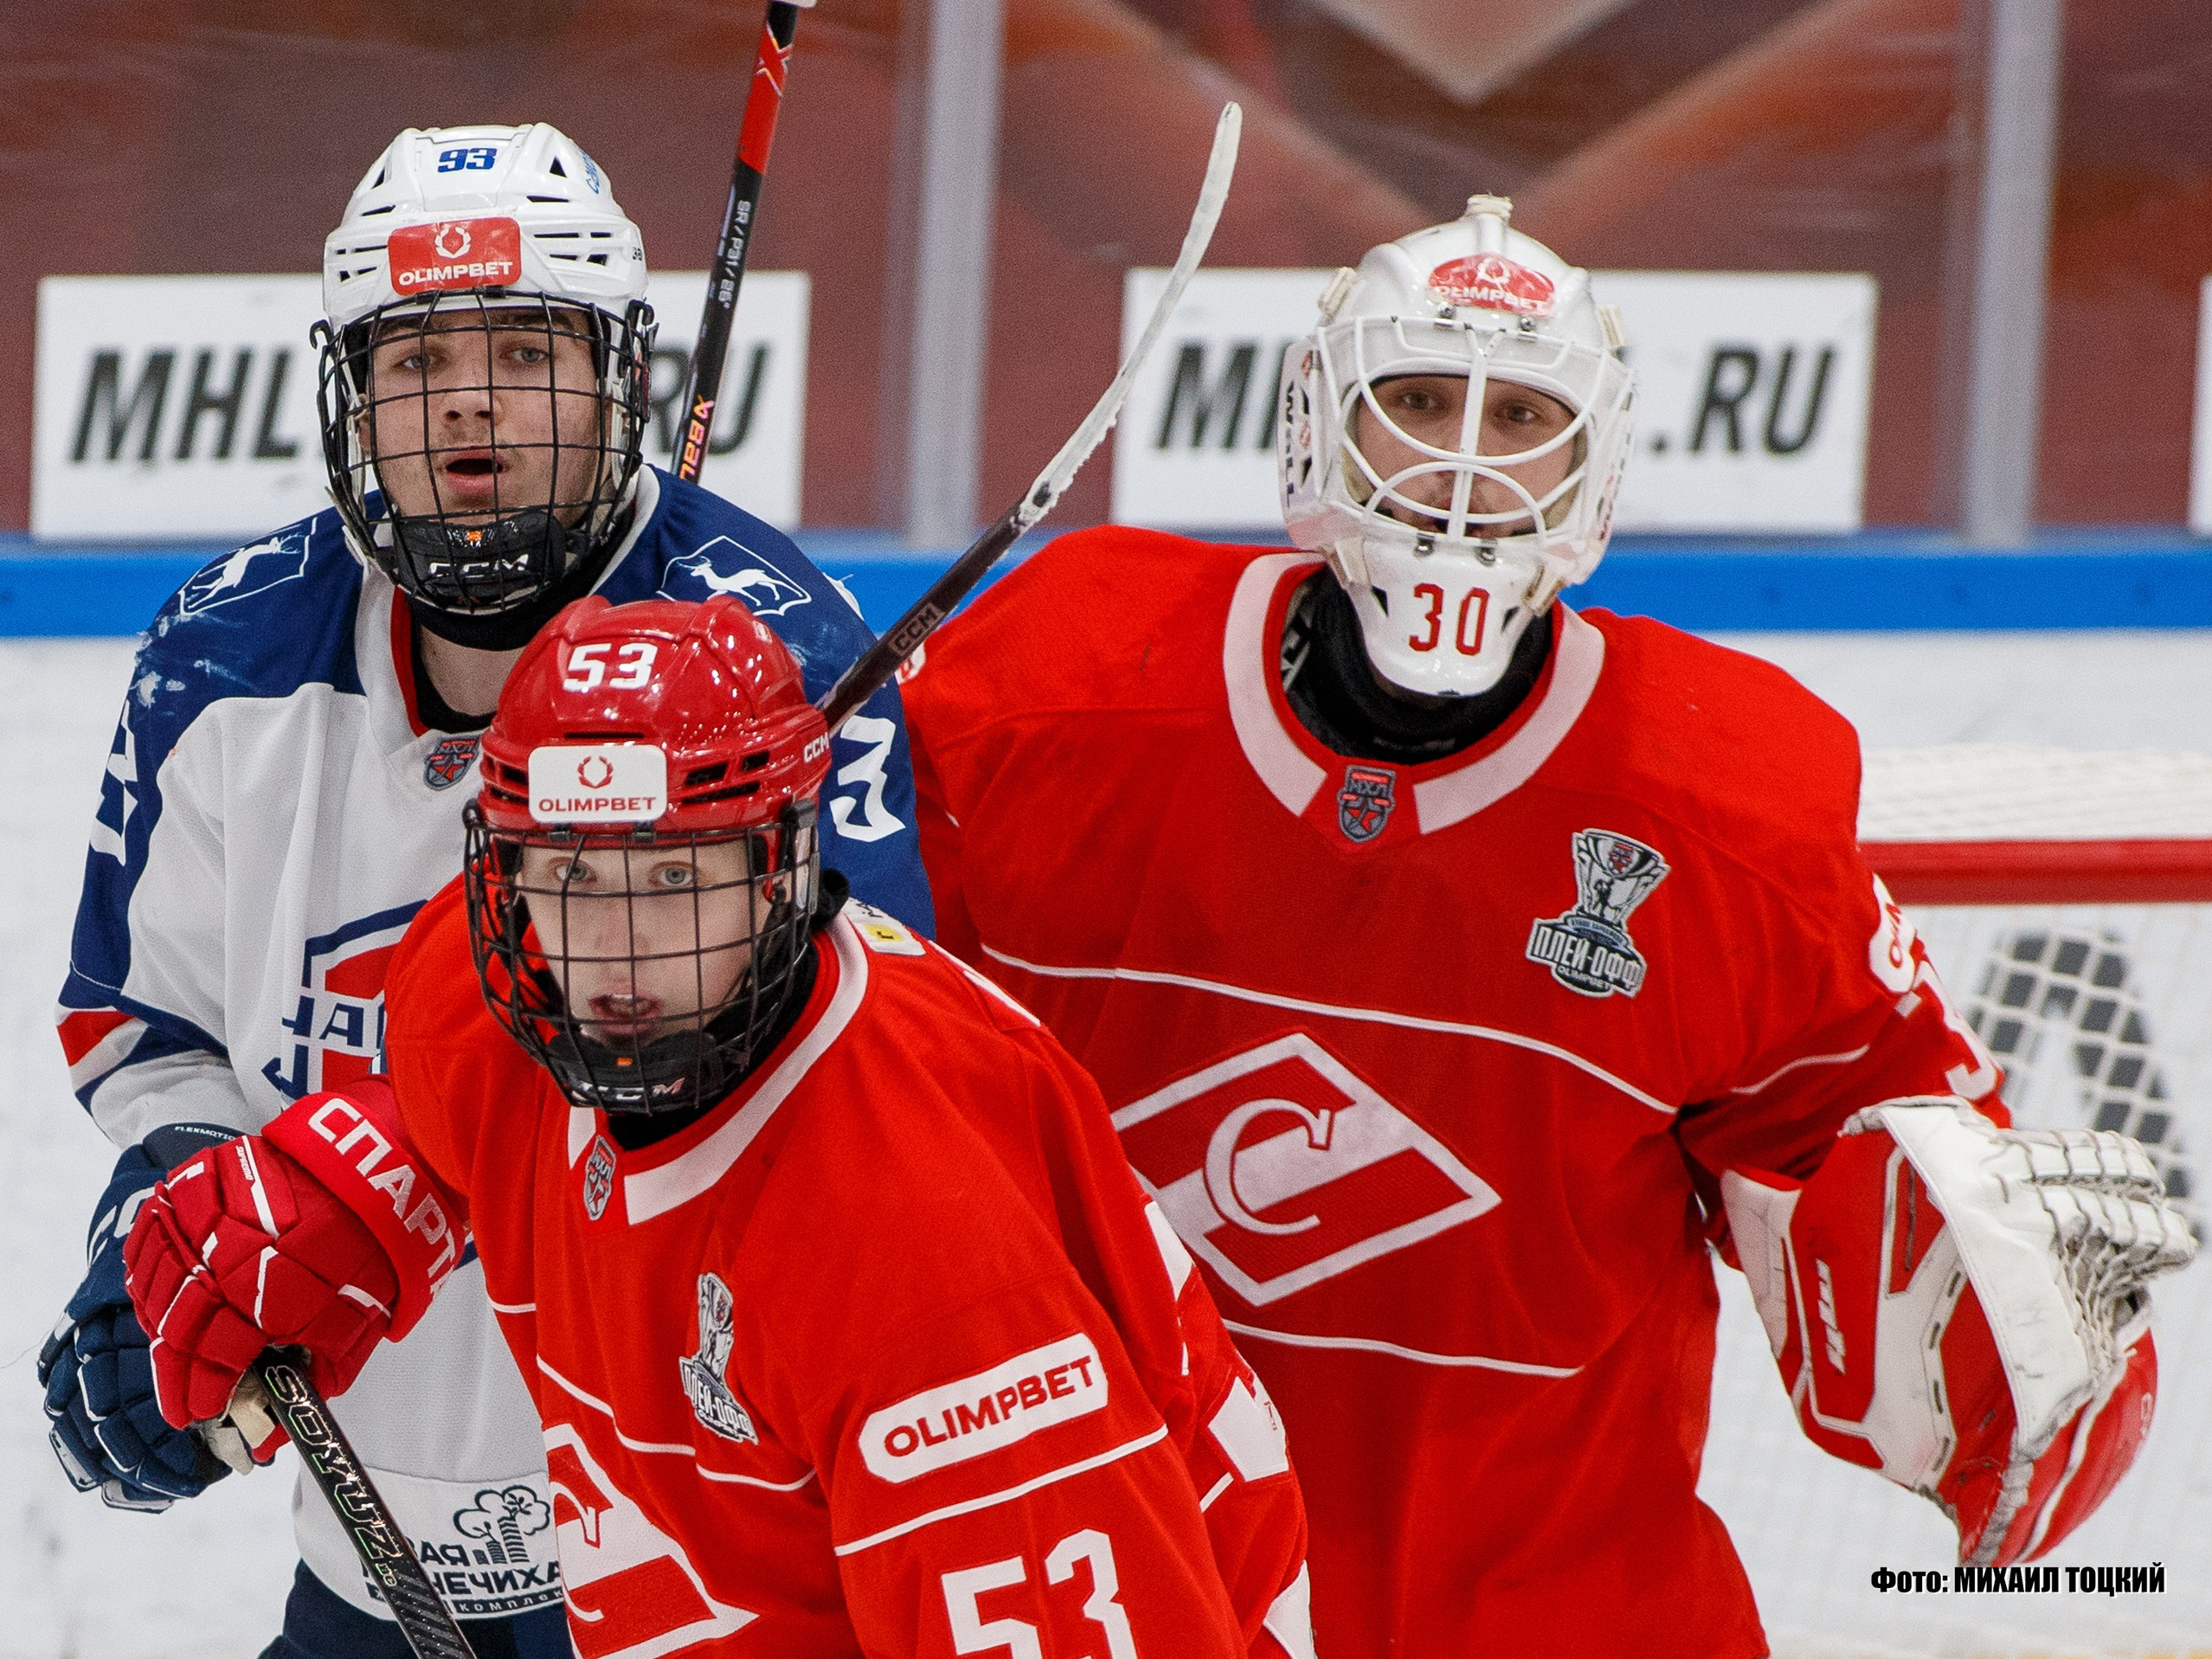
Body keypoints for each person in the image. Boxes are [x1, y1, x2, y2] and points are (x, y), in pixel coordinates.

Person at [895, 196, 2196, 1656]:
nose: (1463, 459)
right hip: (1125, 1595)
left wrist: (1997, 1350)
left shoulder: (1723, 807)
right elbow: (849, 1045)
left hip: (1550, 1612)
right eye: (1421, 401)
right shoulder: (1050, 690)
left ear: (1596, 466)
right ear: (1322, 425)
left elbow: (1891, 1180)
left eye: (1519, 413)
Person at [40, 122, 933, 1656]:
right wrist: (186, 1238)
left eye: (523, 349)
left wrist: (396, 1155)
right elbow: (147, 1024)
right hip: (364, 1538)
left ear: (613, 376)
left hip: (707, 1539)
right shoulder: (219, 662)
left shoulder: (780, 655)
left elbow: (878, 1083)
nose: (464, 400)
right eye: (412, 359)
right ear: (347, 390)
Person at [119, 593, 1316, 1658]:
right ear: (503, 882)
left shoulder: (921, 1270)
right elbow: (443, 1103)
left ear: (779, 870)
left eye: (677, 877)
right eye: (573, 877)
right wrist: (367, 1193)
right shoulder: (483, 998)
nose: (618, 952)